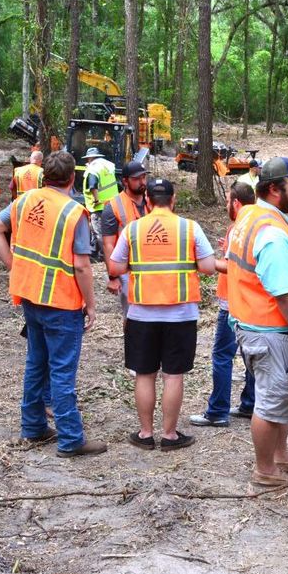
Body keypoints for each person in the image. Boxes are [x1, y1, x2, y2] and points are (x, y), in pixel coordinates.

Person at [0, 151, 106, 458]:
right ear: (72, 179)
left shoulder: (25, 200)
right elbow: (81, 266)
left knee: (36, 364)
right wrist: (91, 306)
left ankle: (34, 427)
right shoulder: (73, 211)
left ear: (43, 176)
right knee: (62, 372)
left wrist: (13, 265)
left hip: (30, 296)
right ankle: (70, 439)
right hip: (61, 302)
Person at [107, 178, 215, 451]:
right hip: (180, 315)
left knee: (144, 374)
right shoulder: (190, 228)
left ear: (147, 201)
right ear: (173, 199)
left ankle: (145, 433)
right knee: (173, 375)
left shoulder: (132, 229)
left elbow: (116, 267)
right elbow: (208, 266)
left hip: (141, 314)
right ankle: (169, 435)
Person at [227, 157, 288, 488]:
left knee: (281, 397)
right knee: (271, 400)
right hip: (270, 331)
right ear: (276, 189)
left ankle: (280, 457)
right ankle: (265, 471)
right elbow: (283, 292)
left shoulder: (250, 214)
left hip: (255, 325)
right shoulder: (273, 234)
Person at [189, 181, 258, 427]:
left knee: (221, 356)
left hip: (232, 304)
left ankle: (218, 410)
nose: (227, 205)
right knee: (251, 355)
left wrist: (204, 262)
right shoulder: (255, 226)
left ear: (236, 203)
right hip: (251, 303)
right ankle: (250, 404)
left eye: (228, 201)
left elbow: (231, 267)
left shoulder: (237, 228)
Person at [102, 160, 151, 311]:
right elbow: (108, 244)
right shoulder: (113, 206)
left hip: (153, 267)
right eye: (136, 179)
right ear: (125, 181)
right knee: (132, 315)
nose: (142, 182)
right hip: (127, 271)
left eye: (143, 177)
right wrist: (113, 276)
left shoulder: (153, 200)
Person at [81, 147, 119, 260]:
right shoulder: (107, 167)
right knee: (109, 231)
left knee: (99, 232)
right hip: (112, 204)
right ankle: (100, 252)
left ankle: (104, 255)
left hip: (99, 206)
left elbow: (93, 186)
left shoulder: (93, 169)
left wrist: (96, 200)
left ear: (90, 158)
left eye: (88, 159)